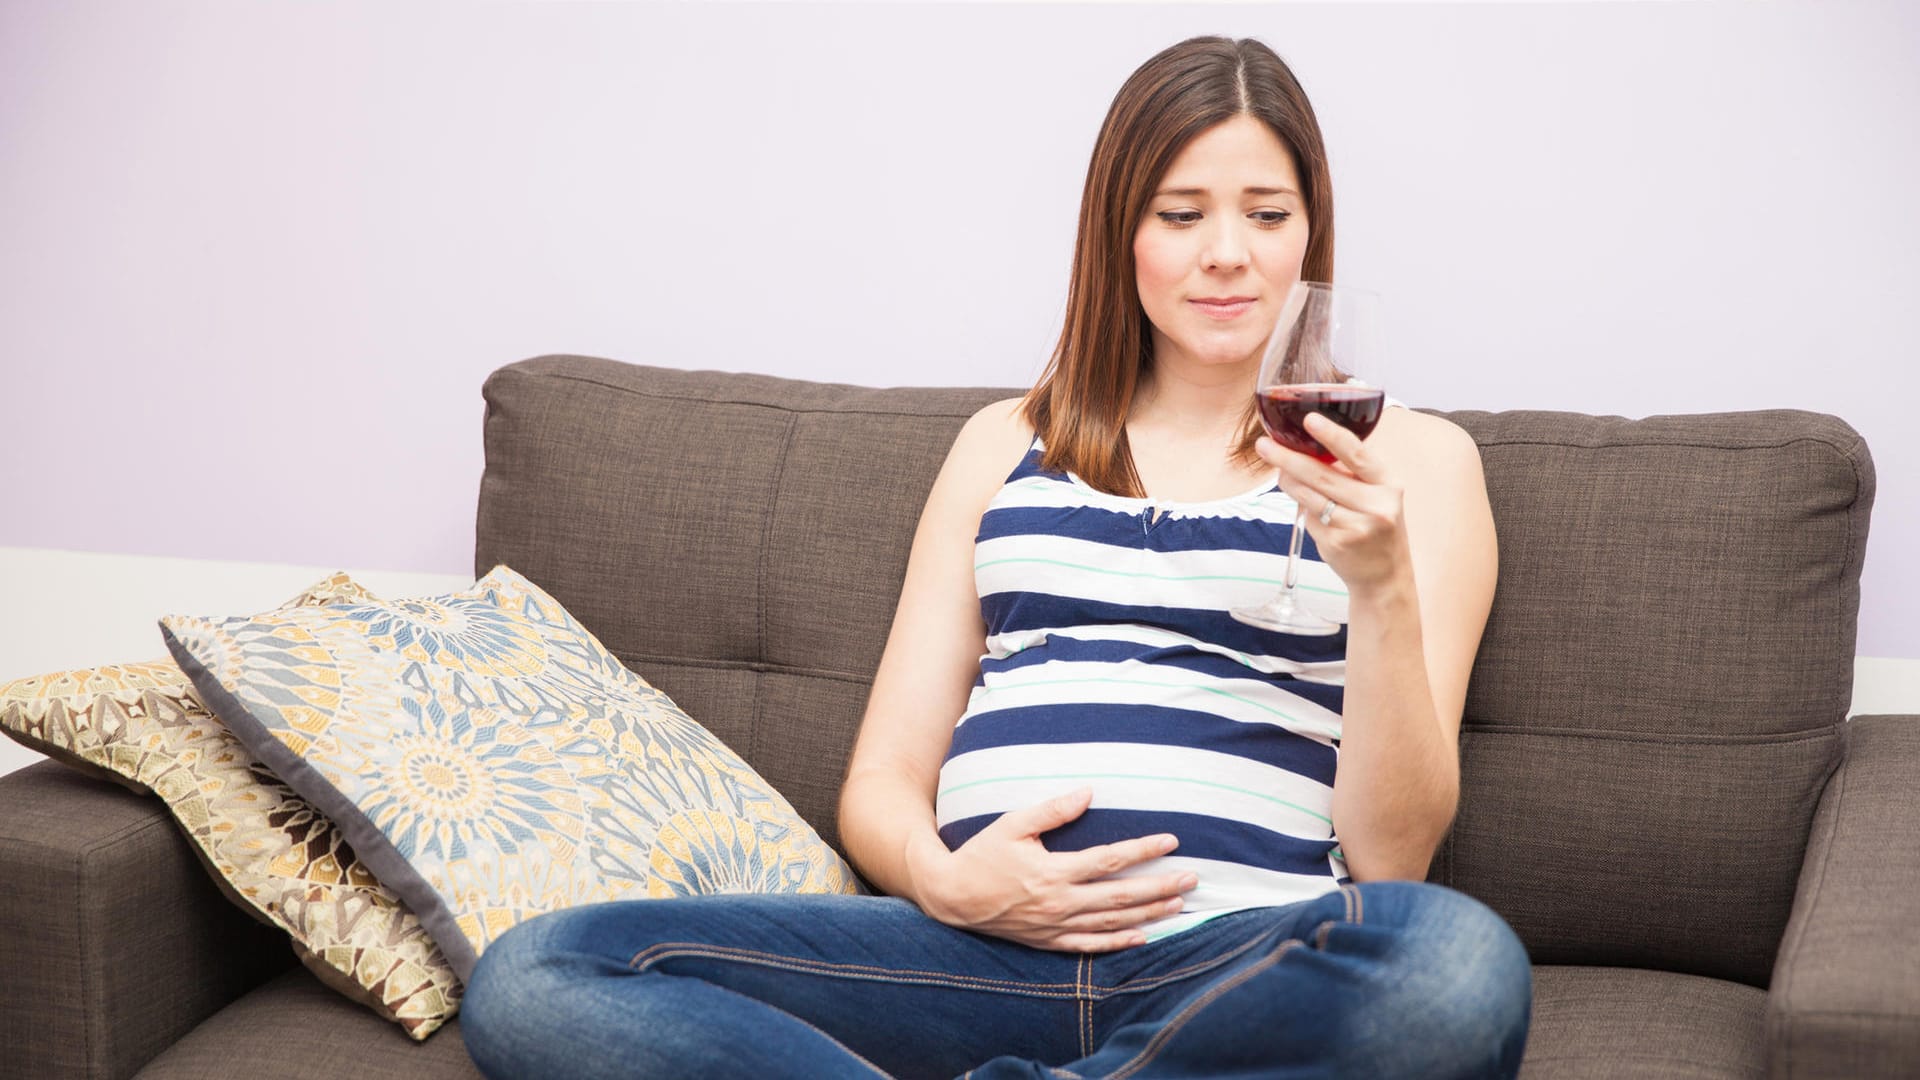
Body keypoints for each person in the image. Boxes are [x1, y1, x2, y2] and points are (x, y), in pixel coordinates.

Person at [462, 35, 1531, 1079]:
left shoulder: (1417, 467)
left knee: (1454, 967)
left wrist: (1383, 589)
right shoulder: (1004, 443)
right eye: (1180, 214)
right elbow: (882, 780)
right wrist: (948, 882)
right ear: (1121, 231)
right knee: (540, 973)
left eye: (1267, 215)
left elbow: (1394, 859)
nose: (1227, 253)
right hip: (968, 959)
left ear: (1311, 232)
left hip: (1235, 965)